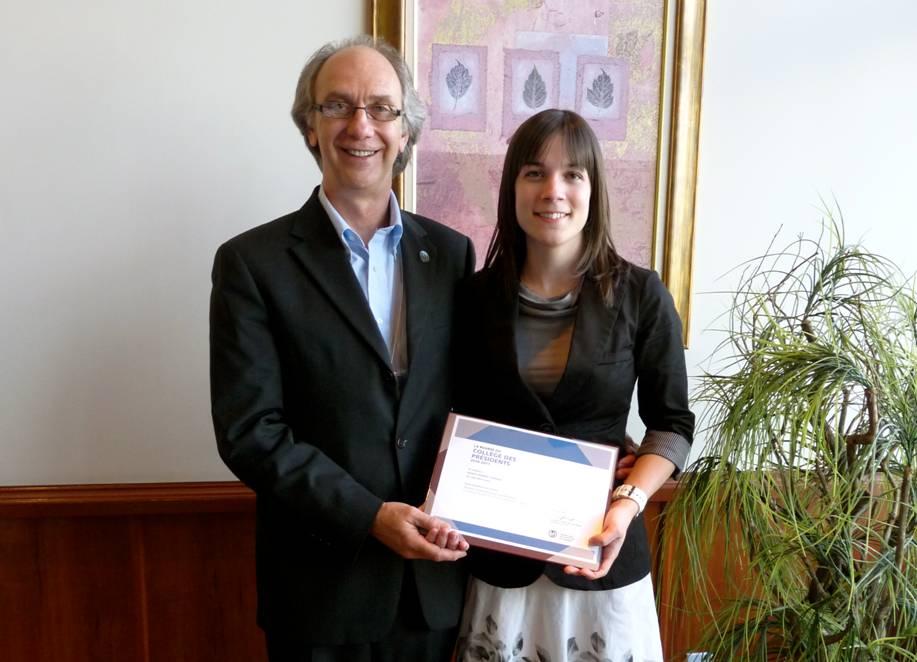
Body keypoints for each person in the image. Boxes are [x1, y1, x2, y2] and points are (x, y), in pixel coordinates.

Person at [209, 35, 474, 662]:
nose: (362, 125)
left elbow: (476, 398)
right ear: (310, 128)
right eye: (338, 106)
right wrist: (369, 516)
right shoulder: (252, 263)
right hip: (321, 590)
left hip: (436, 587)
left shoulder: (453, 255)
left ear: (406, 132)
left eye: (382, 108)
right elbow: (251, 431)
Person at [452, 109, 694, 662]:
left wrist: (630, 502)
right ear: (513, 185)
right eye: (534, 173)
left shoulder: (641, 294)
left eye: (572, 175)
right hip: (497, 561)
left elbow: (673, 424)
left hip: (600, 553)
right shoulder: (472, 299)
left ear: (593, 188)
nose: (552, 191)